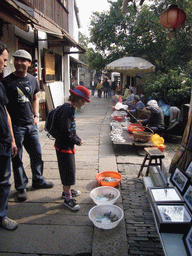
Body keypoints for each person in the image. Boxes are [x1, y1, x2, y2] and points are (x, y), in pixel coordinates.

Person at [2, 49, 53, 202]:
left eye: (22, 60)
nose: (18, 62)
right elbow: (4, 107)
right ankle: (21, 187)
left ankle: (38, 180)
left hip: (31, 125)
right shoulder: (6, 82)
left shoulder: (32, 80)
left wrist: (36, 115)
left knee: (37, 154)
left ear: (29, 63)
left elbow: (35, 98)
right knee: (17, 158)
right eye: (16, 59)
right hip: (16, 127)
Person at [54, 85, 90, 211]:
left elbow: (71, 129)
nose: (84, 104)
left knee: (68, 170)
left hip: (65, 145)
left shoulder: (69, 108)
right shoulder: (68, 110)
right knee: (68, 172)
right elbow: (66, 131)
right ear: (78, 99)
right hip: (64, 146)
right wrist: (77, 140)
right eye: (84, 101)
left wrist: (76, 138)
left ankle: (66, 191)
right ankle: (67, 199)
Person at [0, 42, 18, 230]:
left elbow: (6, 113)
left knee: (4, 182)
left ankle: (2, 215)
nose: (6, 64)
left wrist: (12, 139)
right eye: (4, 59)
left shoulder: (0, 85)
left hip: (4, 142)